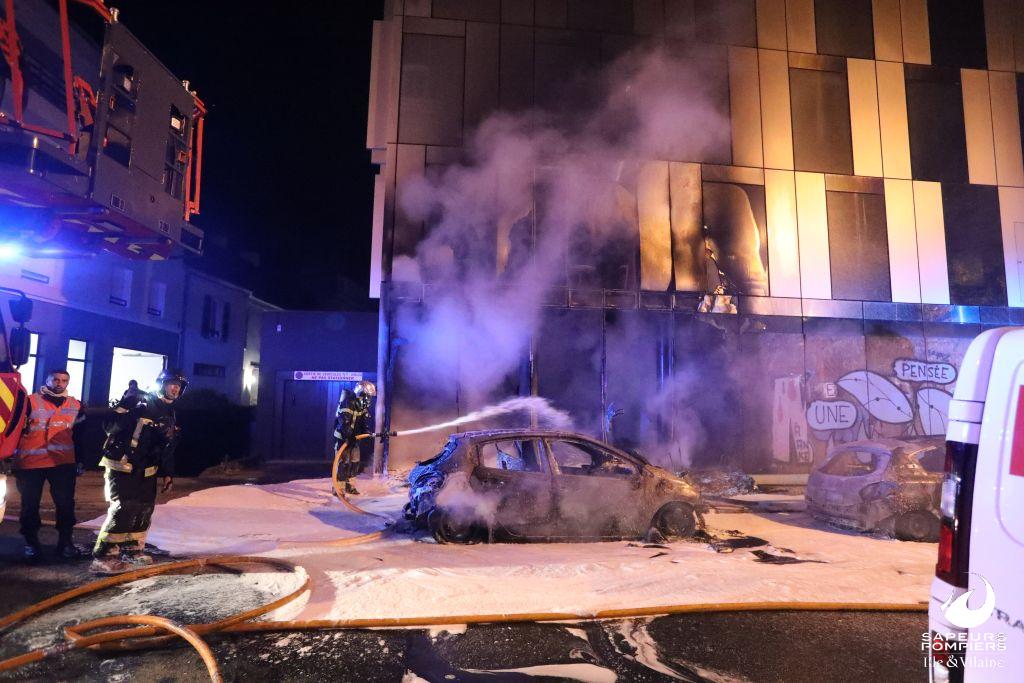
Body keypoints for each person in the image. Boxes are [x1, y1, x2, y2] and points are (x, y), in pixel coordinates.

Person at [91, 369, 185, 575]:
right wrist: (124, 405)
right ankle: (105, 555)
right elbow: (110, 426)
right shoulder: (140, 404)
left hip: (147, 468)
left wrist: (168, 473)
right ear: (162, 384)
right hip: (123, 465)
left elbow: (167, 446)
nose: (175, 388)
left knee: (144, 509)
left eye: (179, 386)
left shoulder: (169, 412)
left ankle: (132, 551)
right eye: (172, 384)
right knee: (124, 508)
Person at [12, 369, 87, 561]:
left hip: (62, 462)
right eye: (56, 379)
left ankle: (65, 542)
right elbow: (14, 429)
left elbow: (81, 436)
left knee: (65, 504)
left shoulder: (76, 405)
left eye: (64, 380)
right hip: (31, 462)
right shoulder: (29, 401)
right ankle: (31, 542)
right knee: (30, 505)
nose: (60, 383)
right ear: (47, 380)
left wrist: (81, 460)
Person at [332, 380, 375, 495]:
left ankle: (349, 486)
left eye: (370, 397)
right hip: (342, 439)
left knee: (355, 462)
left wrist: (366, 432)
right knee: (343, 463)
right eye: (367, 396)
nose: (368, 399)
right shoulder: (347, 403)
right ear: (360, 394)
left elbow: (362, 422)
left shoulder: (361, 406)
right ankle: (338, 488)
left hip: (354, 439)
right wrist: (349, 435)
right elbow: (344, 423)